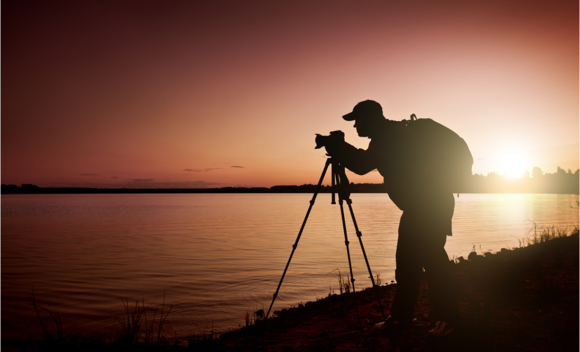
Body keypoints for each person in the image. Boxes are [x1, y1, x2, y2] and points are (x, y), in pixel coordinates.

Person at [324, 100, 460, 336]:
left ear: (371, 119)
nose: (355, 125)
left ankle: (449, 320)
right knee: (407, 262)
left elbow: (363, 164)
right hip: (420, 205)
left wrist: (340, 147)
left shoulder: (392, 135)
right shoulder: (387, 135)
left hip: (430, 203)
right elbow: (366, 160)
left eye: (358, 120)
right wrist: (341, 148)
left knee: (433, 260)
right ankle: (401, 318)